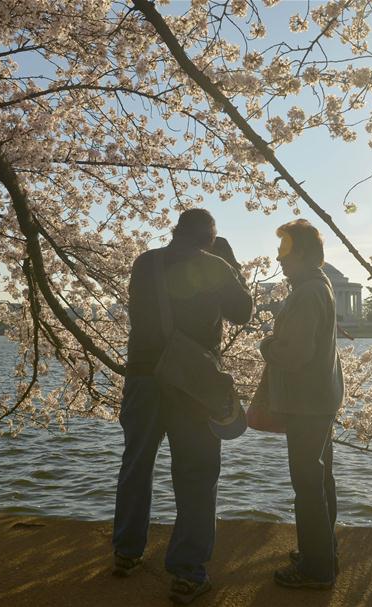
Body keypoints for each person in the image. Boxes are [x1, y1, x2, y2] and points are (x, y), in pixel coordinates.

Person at [112, 209, 253, 604]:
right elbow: (243, 312)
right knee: (196, 472)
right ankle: (187, 573)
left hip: (142, 376)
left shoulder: (145, 263)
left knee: (136, 463)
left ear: (175, 231)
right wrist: (231, 265)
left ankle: (126, 551)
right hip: (190, 383)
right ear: (210, 238)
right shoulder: (216, 267)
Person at [255, 218, 345, 590]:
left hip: (308, 402)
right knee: (320, 479)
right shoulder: (316, 287)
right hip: (320, 396)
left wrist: (267, 346)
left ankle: (316, 569)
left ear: (305, 254)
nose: (280, 260)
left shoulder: (307, 292)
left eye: (285, 252)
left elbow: (296, 354)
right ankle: (322, 551)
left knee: (307, 482)